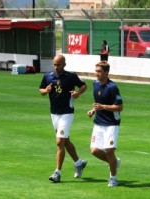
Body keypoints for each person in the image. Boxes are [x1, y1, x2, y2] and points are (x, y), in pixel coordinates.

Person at [39, 54, 88, 183]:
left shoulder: (71, 76)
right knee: (65, 141)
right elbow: (41, 90)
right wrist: (46, 90)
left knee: (60, 142)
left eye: (58, 64)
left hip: (67, 113)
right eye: (54, 64)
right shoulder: (48, 76)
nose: (56, 67)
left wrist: (78, 93)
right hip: (54, 114)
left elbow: (83, 86)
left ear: (64, 64)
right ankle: (79, 163)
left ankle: (57, 173)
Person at [87, 61, 123, 187]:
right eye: (96, 71)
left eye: (99, 71)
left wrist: (103, 107)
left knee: (109, 151)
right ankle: (114, 162)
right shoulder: (95, 84)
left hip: (112, 124)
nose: (96, 73)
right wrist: (93, 110)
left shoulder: (112, 87)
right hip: (99, 123)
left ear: (106, 73)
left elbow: (120, 107)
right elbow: (98, 101)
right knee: (94, 150)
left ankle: (113, 178)